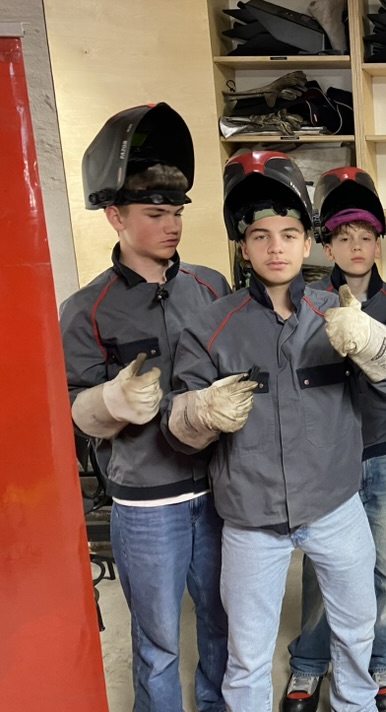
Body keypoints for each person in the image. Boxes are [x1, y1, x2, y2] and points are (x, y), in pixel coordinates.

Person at [163, 150, 386, 711]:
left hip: (335, 508)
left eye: (288, 234)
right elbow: (178, 431)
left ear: (308, 245)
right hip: (250, 520)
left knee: (356, 634)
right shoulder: (211, 327)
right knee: (248, 655)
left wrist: (374, 344)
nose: (275, 248)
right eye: (260, 236)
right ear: (244, 247)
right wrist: (200, 411)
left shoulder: (339, 314)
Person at [60, 103, 231, 712]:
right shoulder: (87, 310)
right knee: (157, 642)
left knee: (221, 624)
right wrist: (106, 401)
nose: (172, 225)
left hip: (218, 492)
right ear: (115, 216)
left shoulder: (211, 287)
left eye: (177, 212)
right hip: (145, 504)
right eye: (156, 214)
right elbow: (71, 409)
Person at [282, 167, 386, 712]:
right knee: (322, 563)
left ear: (379, 244)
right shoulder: (309, 306)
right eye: (344, 237)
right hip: (327, 458)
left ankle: (385, 656)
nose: (356, 247)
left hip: (383, 451)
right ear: (327, 245)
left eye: (366, 236)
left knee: (385, 564)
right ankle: (312, 659)